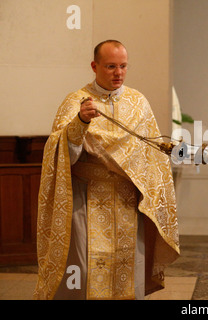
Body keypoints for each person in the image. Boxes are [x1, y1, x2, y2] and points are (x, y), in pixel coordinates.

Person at [33, 40, 179, 300]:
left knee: (128, 270)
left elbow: (152, 153)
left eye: (123, 66)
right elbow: (60, 153)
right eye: (111, 66)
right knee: (86, 271)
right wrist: (80, 122)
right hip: (87, 201)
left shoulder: (138, 102)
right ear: (94, 66)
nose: (118, 73)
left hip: (126, 200)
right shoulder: (76, 101)